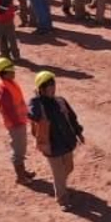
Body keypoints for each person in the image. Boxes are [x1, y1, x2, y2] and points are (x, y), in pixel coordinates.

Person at [27, 71, 84, 208]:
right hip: (51, 146)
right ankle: (62, 199)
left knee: (69, 167)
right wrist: (37, 99)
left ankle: (60, 185)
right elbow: (32, 115)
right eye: (49, 86)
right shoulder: (37, 104)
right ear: (41, 89)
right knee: (58, 174)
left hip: (66, 142)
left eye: (53, 85)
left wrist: (78, 132)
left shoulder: (60, 101)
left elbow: (72, 118)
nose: (53, 88)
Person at [0, 57, 34, 183]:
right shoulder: (4, 89)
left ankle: (23, 172)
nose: (14, 72)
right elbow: (7, 110)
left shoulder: (10, 83)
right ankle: (20, 177)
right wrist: (17, 123)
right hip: (15, 124)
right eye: (11, 71)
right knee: (18, 150)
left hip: (20, 120)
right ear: (4, 73)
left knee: (22, 148)